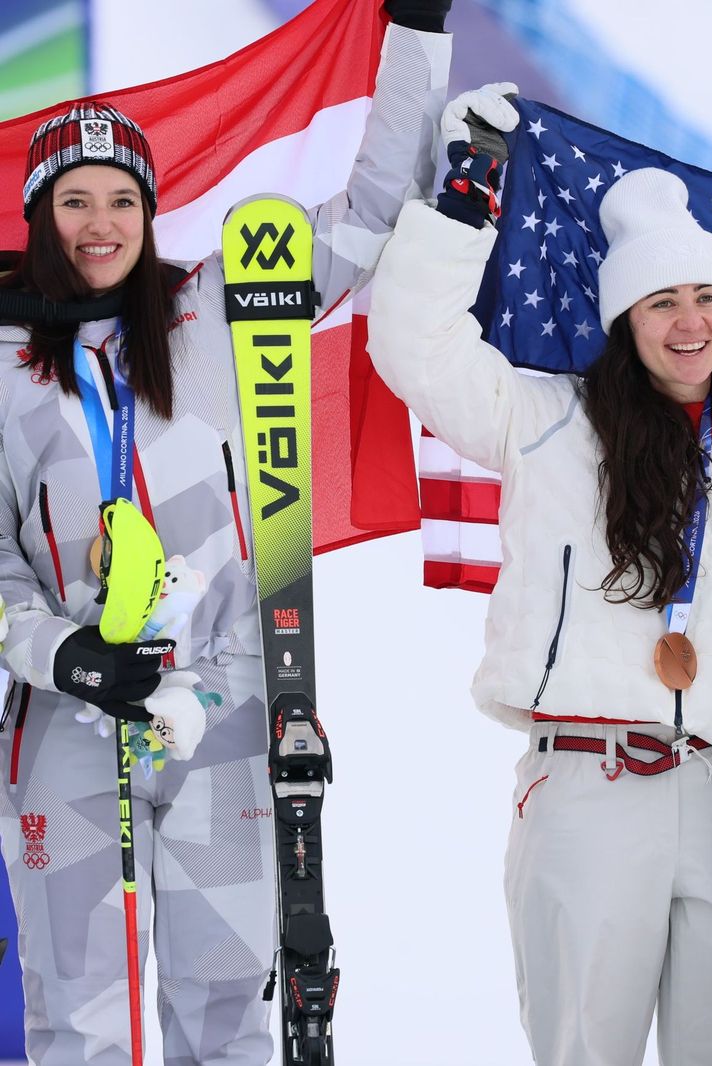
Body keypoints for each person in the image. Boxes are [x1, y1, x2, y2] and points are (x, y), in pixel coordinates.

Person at [0, 4, 471, 1062]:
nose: (101, 223)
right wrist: (62, 653)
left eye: (122, 199)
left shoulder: (218, 309)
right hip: (66, 723)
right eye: (74, 200)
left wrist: (416, 32)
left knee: (224, 1017)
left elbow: (374, 211)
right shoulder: (1, 368)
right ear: (39, 214)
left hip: (218, 710)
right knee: (78, 1023)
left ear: (149, 211)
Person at [364, 99, 712, 1064]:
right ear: (623, 319)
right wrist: (466, 198)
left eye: (707, 298)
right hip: (587, 786)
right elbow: (413, 348)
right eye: (661, 302)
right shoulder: (547, 418)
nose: (690, 322)